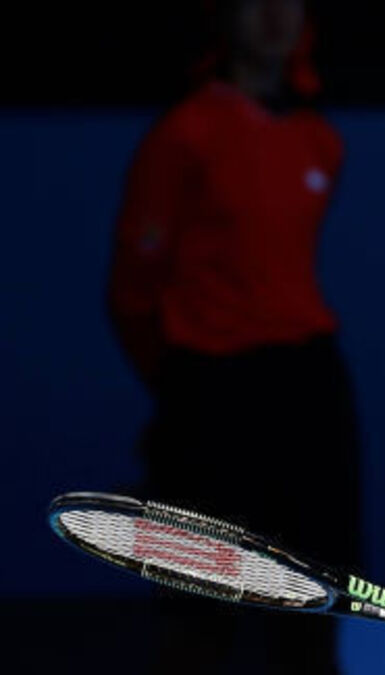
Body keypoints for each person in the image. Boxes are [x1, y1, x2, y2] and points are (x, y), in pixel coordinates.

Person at [107, 1, 358, 672]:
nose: (274, 14)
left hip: (308, 387)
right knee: (196, 613)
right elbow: (133, 288)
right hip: (211, 394)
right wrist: (187, 385)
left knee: (314, 601)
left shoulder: (320, 140)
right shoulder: (183, 134)